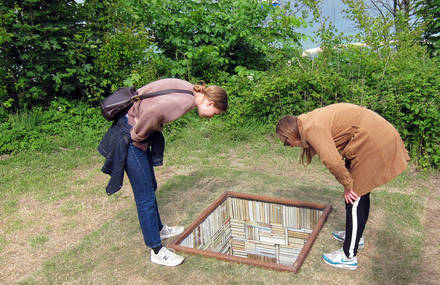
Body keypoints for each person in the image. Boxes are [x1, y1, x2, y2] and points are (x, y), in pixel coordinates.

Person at [102, 78, 228, 267]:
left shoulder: (189, 89)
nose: (211, 116)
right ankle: (157, 250)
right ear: (210, 103)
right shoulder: (184, 102)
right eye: (214, 113)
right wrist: (137, 138)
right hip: (130, 136)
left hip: (132, 127)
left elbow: (152, 90)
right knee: (145, 197)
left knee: (150, 185)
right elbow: (153, 111)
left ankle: (158, 229)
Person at [275, 103, 409, 270]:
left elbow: (332, 161)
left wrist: (348, 184)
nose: (290, 147)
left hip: (372, 141)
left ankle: (348, 256)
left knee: (355, 196)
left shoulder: (311, 129)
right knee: (359, 194)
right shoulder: (304, 122)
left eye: (287, 143)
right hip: (368, 138)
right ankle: (355, 236)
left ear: (291, 134)